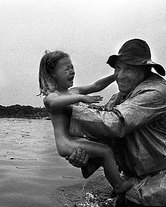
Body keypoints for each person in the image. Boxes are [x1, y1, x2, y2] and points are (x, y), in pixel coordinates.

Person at [67, 39, 166, 207]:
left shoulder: (156, 91)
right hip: (132, 179)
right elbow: (102, 138)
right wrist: (83, 156)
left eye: (129, 69)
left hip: (164, 181)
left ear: (145, 70)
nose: (120, 75)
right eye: (118, 68)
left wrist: (64, 108)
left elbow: (115, 124)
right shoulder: (118, 99)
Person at [39, 50, 136, 194]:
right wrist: (81, 98)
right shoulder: (53, 95)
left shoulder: (74, 91)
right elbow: (53, 103)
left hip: (75, 139)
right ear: (53, 74)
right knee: (106, 151)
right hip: (66, 143)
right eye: (66, 69)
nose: (72, 71)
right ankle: (118, 185)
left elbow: (95, 86)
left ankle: (99, 170)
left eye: (72, 67)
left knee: (106, 148)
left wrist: (115, 76)